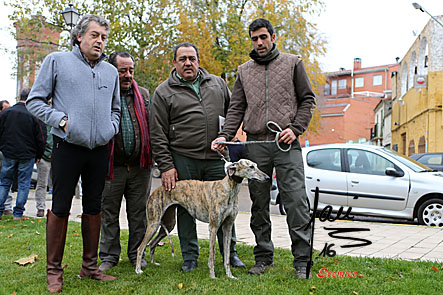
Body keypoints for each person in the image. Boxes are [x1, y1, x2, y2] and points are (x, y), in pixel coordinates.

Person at [212, 18, 316, 278]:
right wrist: (225, 136)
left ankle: (302, 261)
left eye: (263, 37)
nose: (259, 42)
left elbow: (307, 100)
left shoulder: (293, 63)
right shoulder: (244, 71)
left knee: (295, 202)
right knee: (258, 204)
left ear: (272, 37)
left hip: (286, 143)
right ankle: (263, 258)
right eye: (254, 38)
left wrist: (295, 128)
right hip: (256, 146)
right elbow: (235, 108)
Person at [26, 14, 120, 293]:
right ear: (79, 36)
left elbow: (116, 109)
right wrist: (63, 122)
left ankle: (90, 267)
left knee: (94, 206)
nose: (100, 41)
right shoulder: (57, 61)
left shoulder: (111, 72)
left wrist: (110, 128)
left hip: (99, 149)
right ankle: (53, 271)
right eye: (94, 35)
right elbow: (35, 101)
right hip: (66, 146)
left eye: (103, 37)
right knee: (60, 207)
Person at [150, 42, 245, 272]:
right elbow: (157, 132)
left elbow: (233, 113)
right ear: (174, 63)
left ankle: (230, 254)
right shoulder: (163, 91)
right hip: (183, 157)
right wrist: (166, 166)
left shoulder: (218, 83)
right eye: (182, 59)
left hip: (216, 158)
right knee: (185, 209)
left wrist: (226, 137)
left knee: (225, 207)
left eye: (191, 58)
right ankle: (190, 257)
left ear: (199, 60)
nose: (188, 63)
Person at [99, 51, 152, 271]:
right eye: (122, 70)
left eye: (131, 70)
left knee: (139, 213)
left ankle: (136, 254)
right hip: (112, 167)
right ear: (112, 71)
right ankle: (109, 257)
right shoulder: (102, 94)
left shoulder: (144, 95)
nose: (128, 75)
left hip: (140, 167)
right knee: (109, 212)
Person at [0, 88, 44, 220]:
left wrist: (3, 147)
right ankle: (18, 213)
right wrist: (39, 155)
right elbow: (41, 137)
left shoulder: (7, 112)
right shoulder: (34, 115)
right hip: (27, 154)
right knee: (24, 184)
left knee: (4, 182)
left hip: (9, 152)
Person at [34, 118, 53, 217]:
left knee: (57, 184)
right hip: (44, 156)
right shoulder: (41, 122)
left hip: (52, 156)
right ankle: (40, 207)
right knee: (42, 183)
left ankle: (56, 208)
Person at [0, 100, 13, 215]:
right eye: (5, 108)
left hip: (6, 153)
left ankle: (7, 207)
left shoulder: (9, 118)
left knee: (5, 181)